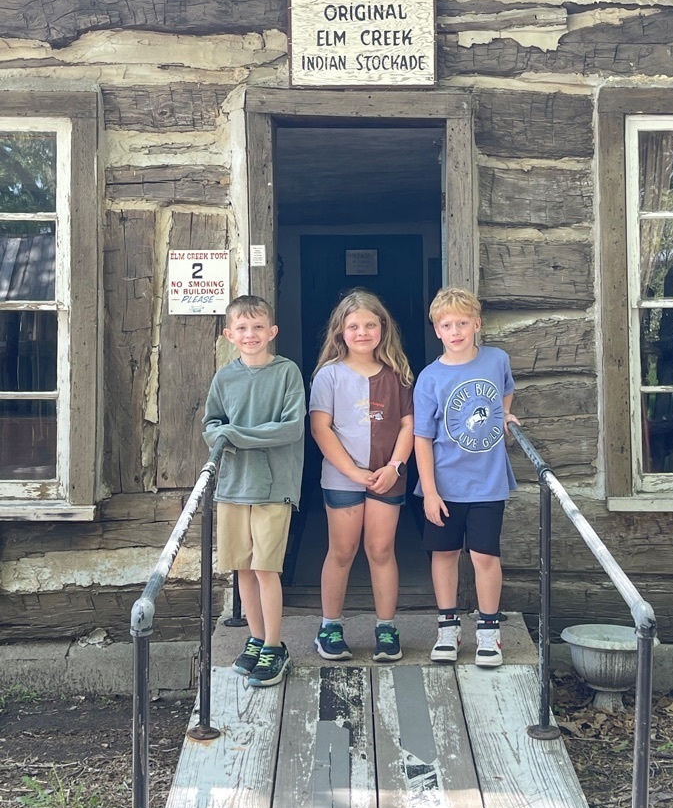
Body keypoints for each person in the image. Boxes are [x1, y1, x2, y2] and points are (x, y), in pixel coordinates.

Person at [413, 286, 519, 668]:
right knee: (444, 553)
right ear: (437, 331)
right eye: (446, 325)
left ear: (477, 324)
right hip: (444, 483)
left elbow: (506, 392)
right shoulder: (430, 378)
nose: (455, 330)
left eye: (462, 323)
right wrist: (429, 491)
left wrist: (503, 415)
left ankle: (489, 632)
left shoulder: (496, 359)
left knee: (484, 554)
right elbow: (422, 438)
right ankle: (448, 628)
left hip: (488, 481)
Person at [203, 294, 305, 687]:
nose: (251, 334)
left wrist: (235, 435)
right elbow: (211, 426)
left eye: (258, 327)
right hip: (232, 484)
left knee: (266, 567)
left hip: (273, 485)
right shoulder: (224, 378)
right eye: (242, 328)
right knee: (242, 567)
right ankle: (257, 637)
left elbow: (290, 428)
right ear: (230, 334)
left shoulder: (286, 373)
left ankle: (277, 645)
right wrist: (224, 434)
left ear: (272, 332)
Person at [309, 289, 414, 663]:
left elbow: (408, 424)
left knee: (381, 550)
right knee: (341, 551)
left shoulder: (398, 374)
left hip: (388, 477)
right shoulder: (329, 375)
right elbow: (321, 428)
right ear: (341, 332)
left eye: (370, 324)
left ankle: (386, 628)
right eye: (354, 326)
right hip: (342, 478)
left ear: (382, 328)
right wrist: (353, 470)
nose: (363, 332)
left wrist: (395, 466)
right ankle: (330, 627)